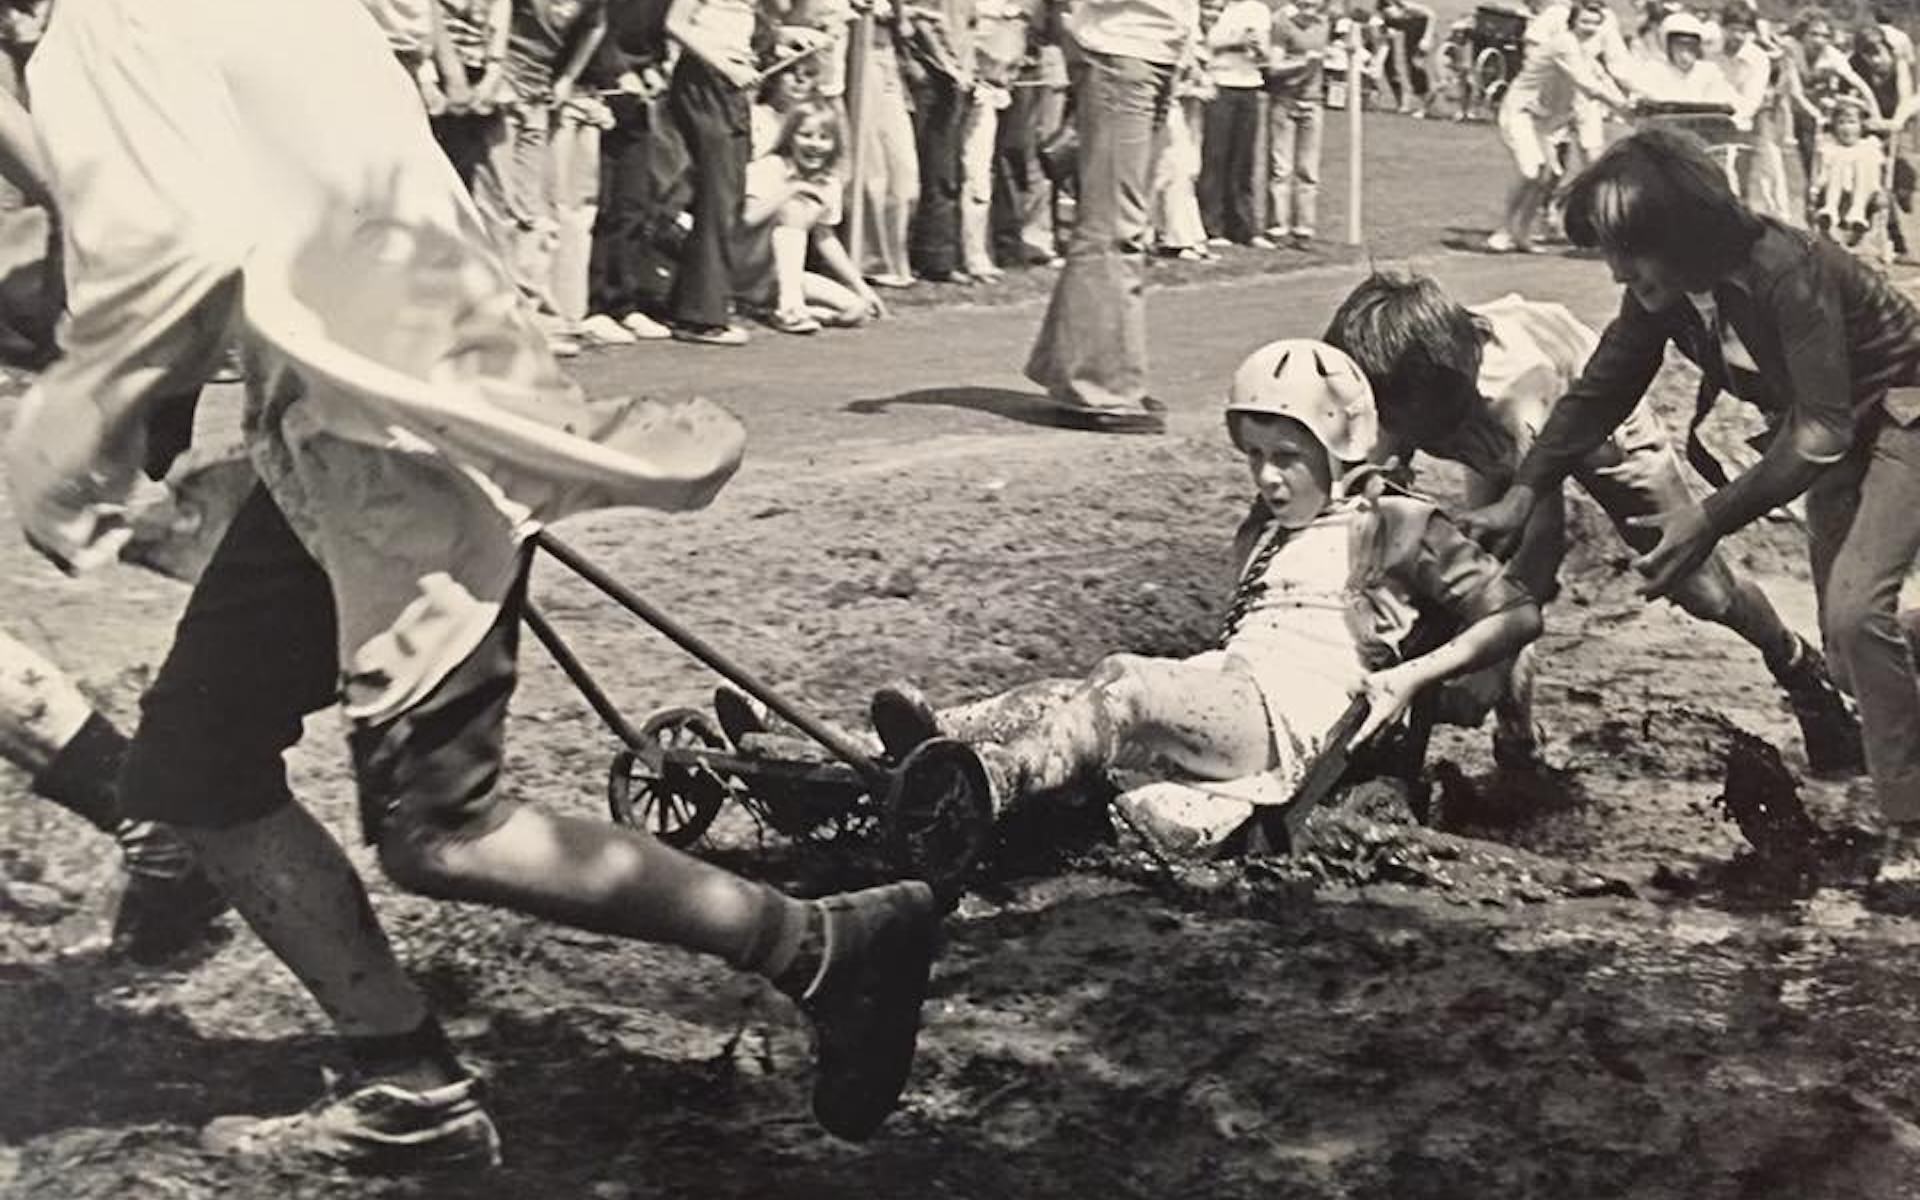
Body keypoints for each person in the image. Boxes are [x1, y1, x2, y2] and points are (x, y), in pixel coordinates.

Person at [10, 0, 944, 1172]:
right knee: (195, 771)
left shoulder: (109, 26)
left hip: (398, 437)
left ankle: (829, 946)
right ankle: (409, 1088)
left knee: (441, 829)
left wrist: (71, 450)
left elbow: (167, 264)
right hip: (361, 416)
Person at [869, 339, 1543, 857]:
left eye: (1287, 455)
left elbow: (1517, 613)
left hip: (1293, 716)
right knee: (1052, 697)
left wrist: (1410, 676)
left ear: (1338, 447)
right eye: (1254, 455)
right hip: (1235, 692)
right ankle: (906, 747)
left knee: (1127, 684)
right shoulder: (1268, 531)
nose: (1268, 476)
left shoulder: (1399, 523)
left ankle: (992, 783)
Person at [1461, 130, 1920, 887]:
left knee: (1852, 617)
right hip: (1842, 436)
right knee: (1848, 653)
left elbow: (1818, 434)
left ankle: (1909, 830)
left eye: (1630, 250)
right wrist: (1524, 490)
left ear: (1687, 232)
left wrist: (1707, 519)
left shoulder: (1786, 270)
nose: (1615, 270)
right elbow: (1601, 388)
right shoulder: (1665, 292)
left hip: (1904, 415)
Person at [1323, 271, 1862, 773]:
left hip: (1592, 415)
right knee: (1479, 568)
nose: (1384, 425)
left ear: (1439, 392)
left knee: (1696, 584)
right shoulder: (1402, 379)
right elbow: (1360, 483)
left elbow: (1541, 547)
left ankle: (1794, 663)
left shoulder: (1513, 404)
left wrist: (1489, 666)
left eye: (1392, 415)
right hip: (1487, 399)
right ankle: (1518, 744)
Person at [1023, 0, 1198, 433]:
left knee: (1118, 224)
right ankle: (1096, 386)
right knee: (1114, 228)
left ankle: (1083, 371)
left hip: (1155, 52)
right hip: (1122, 50)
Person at [1488, 0, 1630, 254]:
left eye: (1596, 24)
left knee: (1549, 175)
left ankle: (1522, 232)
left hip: (1544, 120)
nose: (1590, 28)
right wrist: (1621, 107)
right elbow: (1587, 85)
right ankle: (1504, 230)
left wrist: (1630, 105)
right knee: (1531, 172)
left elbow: (1602, 78)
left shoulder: (1586, 51)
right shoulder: (1565, 44)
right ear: (1572, 21)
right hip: (1521, 111)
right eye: (1585, 22)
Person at [734, 99, 886, 331]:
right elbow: (745, 220)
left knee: (855, 310)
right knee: (792, 209)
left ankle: (771, 308)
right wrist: (792, 189)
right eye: (806, 135)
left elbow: (825, 237)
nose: (815, 145)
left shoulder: (828, 183)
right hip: (741, 263)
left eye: (824, 137)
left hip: (776, 276)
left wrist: (862, 287)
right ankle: (790, 310)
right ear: (790, 138)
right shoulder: (768, 167)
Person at [1198, 0, 1271, 248]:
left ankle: (1244, 227)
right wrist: (1235, 41)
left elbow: (1266, 54)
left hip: (1249, 84)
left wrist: (1260, 50)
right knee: (1216, 156)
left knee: (1243, 160)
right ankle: (1212, 226)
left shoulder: (1259, 11)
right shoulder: (1216, 6)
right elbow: (1205, 43)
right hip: (1220, 82)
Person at [1264, 0, 1332, 248]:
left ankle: (1304, 230)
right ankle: (1277, 229)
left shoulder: (1324, 24)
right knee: (1281, 169)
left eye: (1313, 6)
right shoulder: (1283, 24)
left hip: (1313, 102)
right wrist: (1303, 62)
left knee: (1308, 171)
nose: (1308, 11)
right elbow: (1273, 66)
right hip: (1285, 100)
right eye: (1304, 5)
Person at [1850, 25, 1917, 260]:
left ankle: (1904, 191)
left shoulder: (1900, 66)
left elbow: (1907, 96)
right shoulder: (1856, 66)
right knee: (1876, 182)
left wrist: (1896, 121)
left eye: (1878, 53)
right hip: (1872, 127)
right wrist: (1869, 121)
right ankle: (1896, 242)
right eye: (1867, 55)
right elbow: (1853, 97)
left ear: (1888, 49)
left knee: (1903, 172)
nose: (1875, 60)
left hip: (1899, 122)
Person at [1811, 95, 1888, 249]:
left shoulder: (1869, 146)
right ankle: (1830, 211)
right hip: (1834, 190)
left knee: (1862, 160)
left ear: (1861, 126)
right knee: (1838, 158)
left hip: (1864, 192)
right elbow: (1822, 174)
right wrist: (1815, 188)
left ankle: (1857, 214)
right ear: (1834, 126)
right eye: (1841, 123)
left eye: (1852, 122)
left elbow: (1874, 177)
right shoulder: (1830, 146)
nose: (1846, 128)